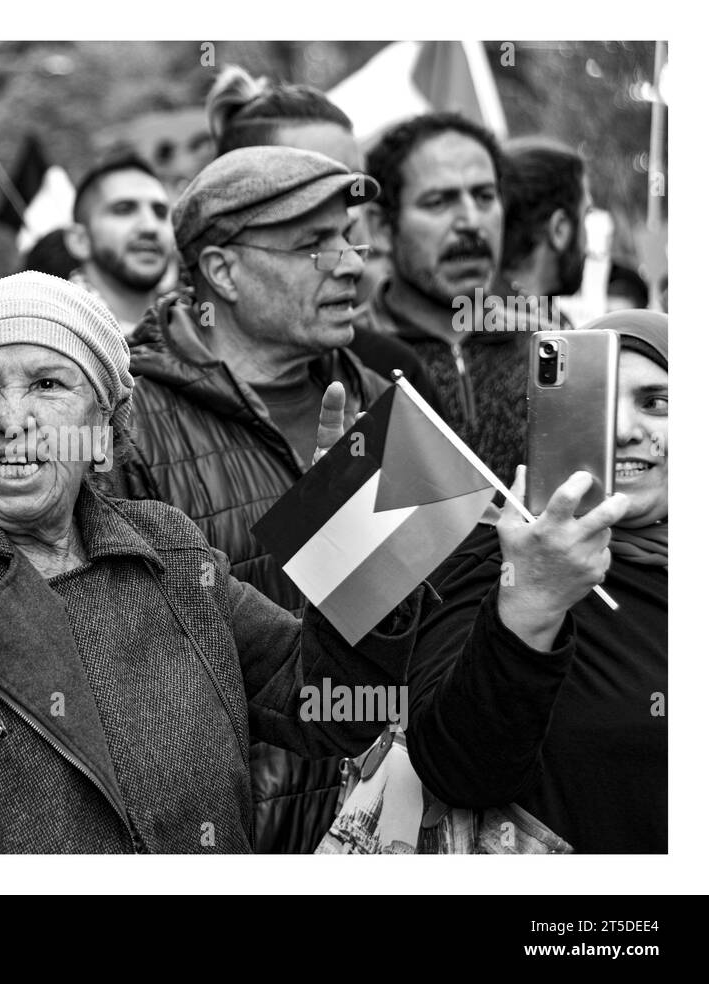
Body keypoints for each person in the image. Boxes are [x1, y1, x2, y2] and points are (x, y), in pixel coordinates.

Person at [0, 271, 428, 853]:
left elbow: (333, 708)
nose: (12, 419)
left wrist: (359, 551)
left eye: (48, 384)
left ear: (103, 422)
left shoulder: (168, 548)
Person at [119, 146, 387, 852]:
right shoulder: (126, 424)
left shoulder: (384, 403)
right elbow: (132, 676)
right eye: (313, 246)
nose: (351, 263)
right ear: (223, 271)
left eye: (349, 237)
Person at [406, 310, 666, 853]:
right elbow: (457, 769)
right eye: (599, 402)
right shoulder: (493, 559)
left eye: (656, 402)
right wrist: (533, 600)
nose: (622, 430)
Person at [203, 63, 436, 409]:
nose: (348, 209)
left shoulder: (390, 374)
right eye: (314, 184)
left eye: (353, 184)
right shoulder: (132, 392)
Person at [358, 112, 533, 485]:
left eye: (485, 196)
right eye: (439, 202)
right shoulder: (345, 358)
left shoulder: (550, 348)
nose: (471, 221)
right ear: (381, 227)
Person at [64, 153, 174, 335]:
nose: (150, 226)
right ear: (80, 241)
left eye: (160, 212)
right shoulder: (54, 332)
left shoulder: (197, 318)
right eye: (124, 210)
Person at [495, 137, 590, 327]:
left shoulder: (465, 316)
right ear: (559, 228)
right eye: (585, 215)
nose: (588, 242)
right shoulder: (543, 334)